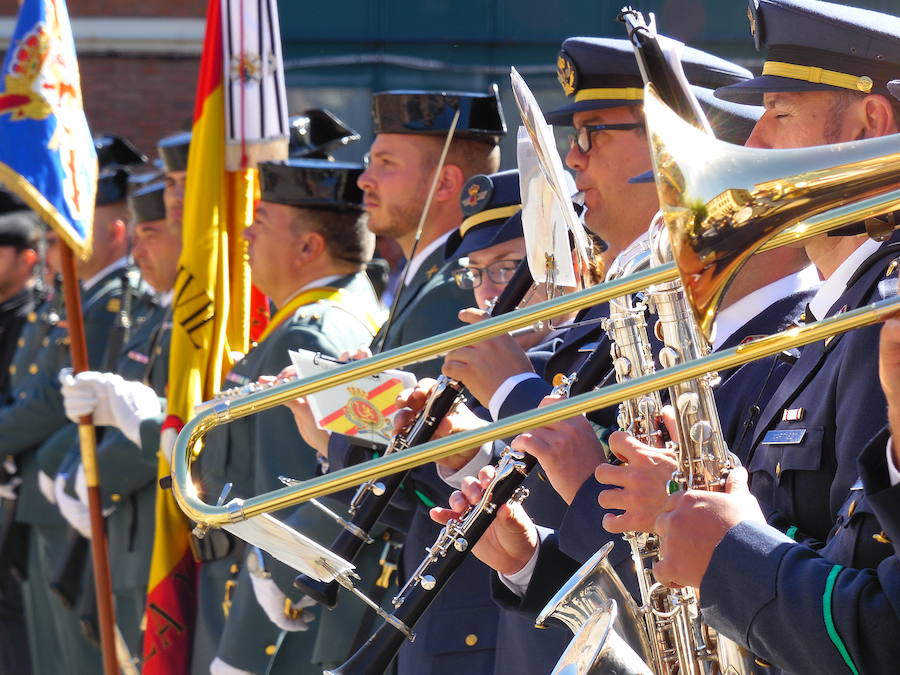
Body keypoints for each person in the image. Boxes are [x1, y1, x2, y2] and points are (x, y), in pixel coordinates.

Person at [187, 158, 381, 675]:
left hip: (270, 623)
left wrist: (243, 652)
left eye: (263, 219)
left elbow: (289, 507)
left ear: (308, 246)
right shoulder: (335, 313)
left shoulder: (306, 335)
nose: (247, 231)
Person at [0, 134, 149, 673]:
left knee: (77, 656)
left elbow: (53, 401)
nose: (55, 238)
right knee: (48, 655)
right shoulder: (72, 298)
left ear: (112, 232)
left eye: (71, 226)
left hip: (73, 496)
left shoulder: (114, 302)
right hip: (41, 495)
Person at [56, 178, 180, 659]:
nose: (138, 248)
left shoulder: (185, 324)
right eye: (140, 235)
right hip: (128, 536)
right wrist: (73, 474)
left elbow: (167, 420)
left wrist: (94, 478)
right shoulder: (151, 317)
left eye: (152, 234)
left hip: (158, 533)